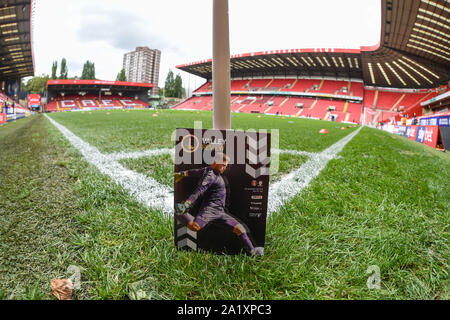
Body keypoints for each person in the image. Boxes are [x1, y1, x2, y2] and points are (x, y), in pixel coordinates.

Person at [174, 152, 264, 256]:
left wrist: (182, 174)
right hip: (209, 211)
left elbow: (195, 172)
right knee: (195, 227)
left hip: (220, 212)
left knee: (240, 229)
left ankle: (252, 252)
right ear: (216, 162)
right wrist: (186, 204)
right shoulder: (210, 176)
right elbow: (199, 191)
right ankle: (178, 213)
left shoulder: (208, 170)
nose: (225, 168)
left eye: (226, 166)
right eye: (224, 165)